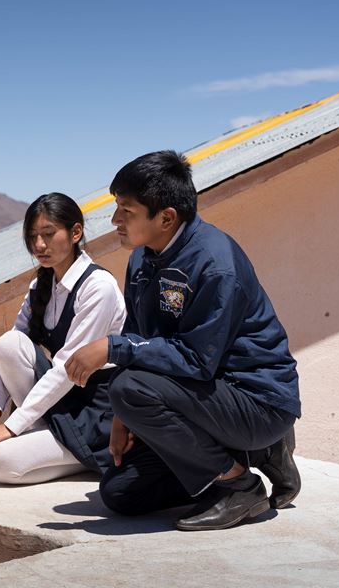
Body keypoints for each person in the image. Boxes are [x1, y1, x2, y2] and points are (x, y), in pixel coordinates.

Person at [65, 150, 300, 531]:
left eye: (126, 211)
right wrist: (123, 417)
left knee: (129, 387)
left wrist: (111, 348)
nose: (115, 220)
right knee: (121, 495)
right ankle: (253, 454)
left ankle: (239, 485)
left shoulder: (215, 265)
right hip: (202, 399)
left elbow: (196, 360)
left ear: (166, 218)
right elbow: (139, 337)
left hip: (256, 402)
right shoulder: (143, 258)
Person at [0, 193, 126, 484]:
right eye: (33, 236)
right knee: (9, 344)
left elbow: (67, 369)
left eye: (49, 234)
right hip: (59, 402)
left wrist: (12, 427)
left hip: (94, 411)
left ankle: (86, 453)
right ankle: (49, 440)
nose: (39, 245)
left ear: (75, 233)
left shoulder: (98, 287)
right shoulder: (41, 285)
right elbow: (12, 350)